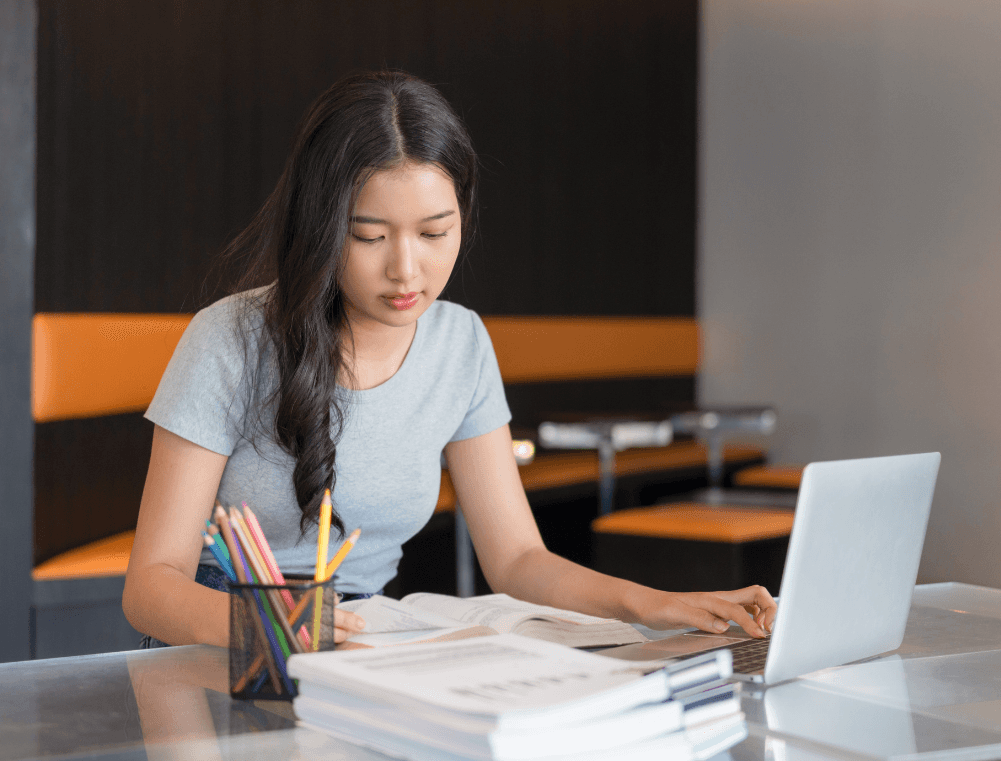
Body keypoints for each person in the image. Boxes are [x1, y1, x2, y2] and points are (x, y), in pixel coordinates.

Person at [121, 70, 776, 648]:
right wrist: (280, 627)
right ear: (320, 224)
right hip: (225, 646)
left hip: (365, 642)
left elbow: (516, 557)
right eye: (369, 235)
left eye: (436, 232)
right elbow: (151, 587)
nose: (408, 270)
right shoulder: (229, 339)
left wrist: (652, 604)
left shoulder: (460, 343)